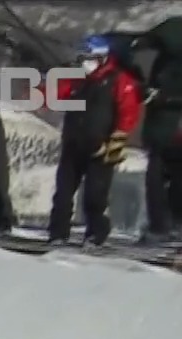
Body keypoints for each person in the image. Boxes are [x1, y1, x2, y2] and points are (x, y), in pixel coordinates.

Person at [47, 34, 145, 245]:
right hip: (74, 143)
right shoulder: (76, 79)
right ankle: (57, 233)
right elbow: (53, 93)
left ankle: (96, 233)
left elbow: (129, 112)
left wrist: (117, 140)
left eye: (88, 58)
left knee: (96, 194)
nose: (84, 63)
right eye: (82, 59)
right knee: (63, 192)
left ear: (101, 58)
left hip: (104, 145)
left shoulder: (118, 80)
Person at [136, 16, 182, 242]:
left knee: (161, 181)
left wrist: (161, 98)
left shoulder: (163, 62)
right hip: (161, 131)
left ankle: (164, 227)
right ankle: (164, 226)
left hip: (168, 130)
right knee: (160, 181)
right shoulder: (162, 61)